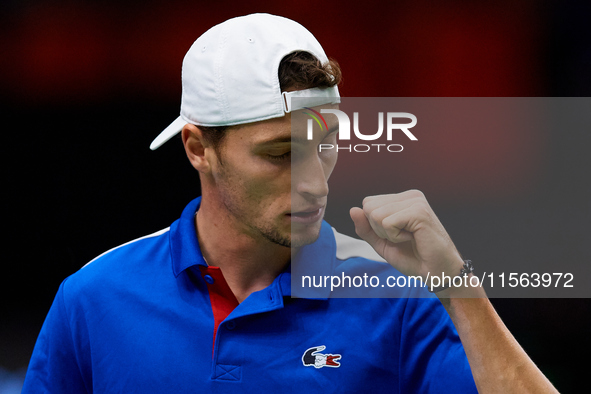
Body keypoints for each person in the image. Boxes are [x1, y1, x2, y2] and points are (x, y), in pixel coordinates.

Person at [23, 13, 557, 393]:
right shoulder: (92, 299)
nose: (312, 182)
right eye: (280, 153)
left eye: (324, 147)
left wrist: (458, 288)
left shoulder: (394, 300)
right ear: (198, 149)